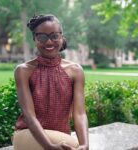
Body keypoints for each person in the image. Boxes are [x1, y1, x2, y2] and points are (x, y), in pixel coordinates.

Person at [12, 14, 89, 150]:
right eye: (42, 37)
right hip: (27, 134)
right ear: (34, 39)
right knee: (72, 146)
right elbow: (29, 116)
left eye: (54, 36)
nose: (48, 42)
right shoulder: (23, 71)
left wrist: (85, 145)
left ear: (61, 37)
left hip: (60, 135)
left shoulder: (75, 71)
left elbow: (80, 113)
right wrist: (49, 146)